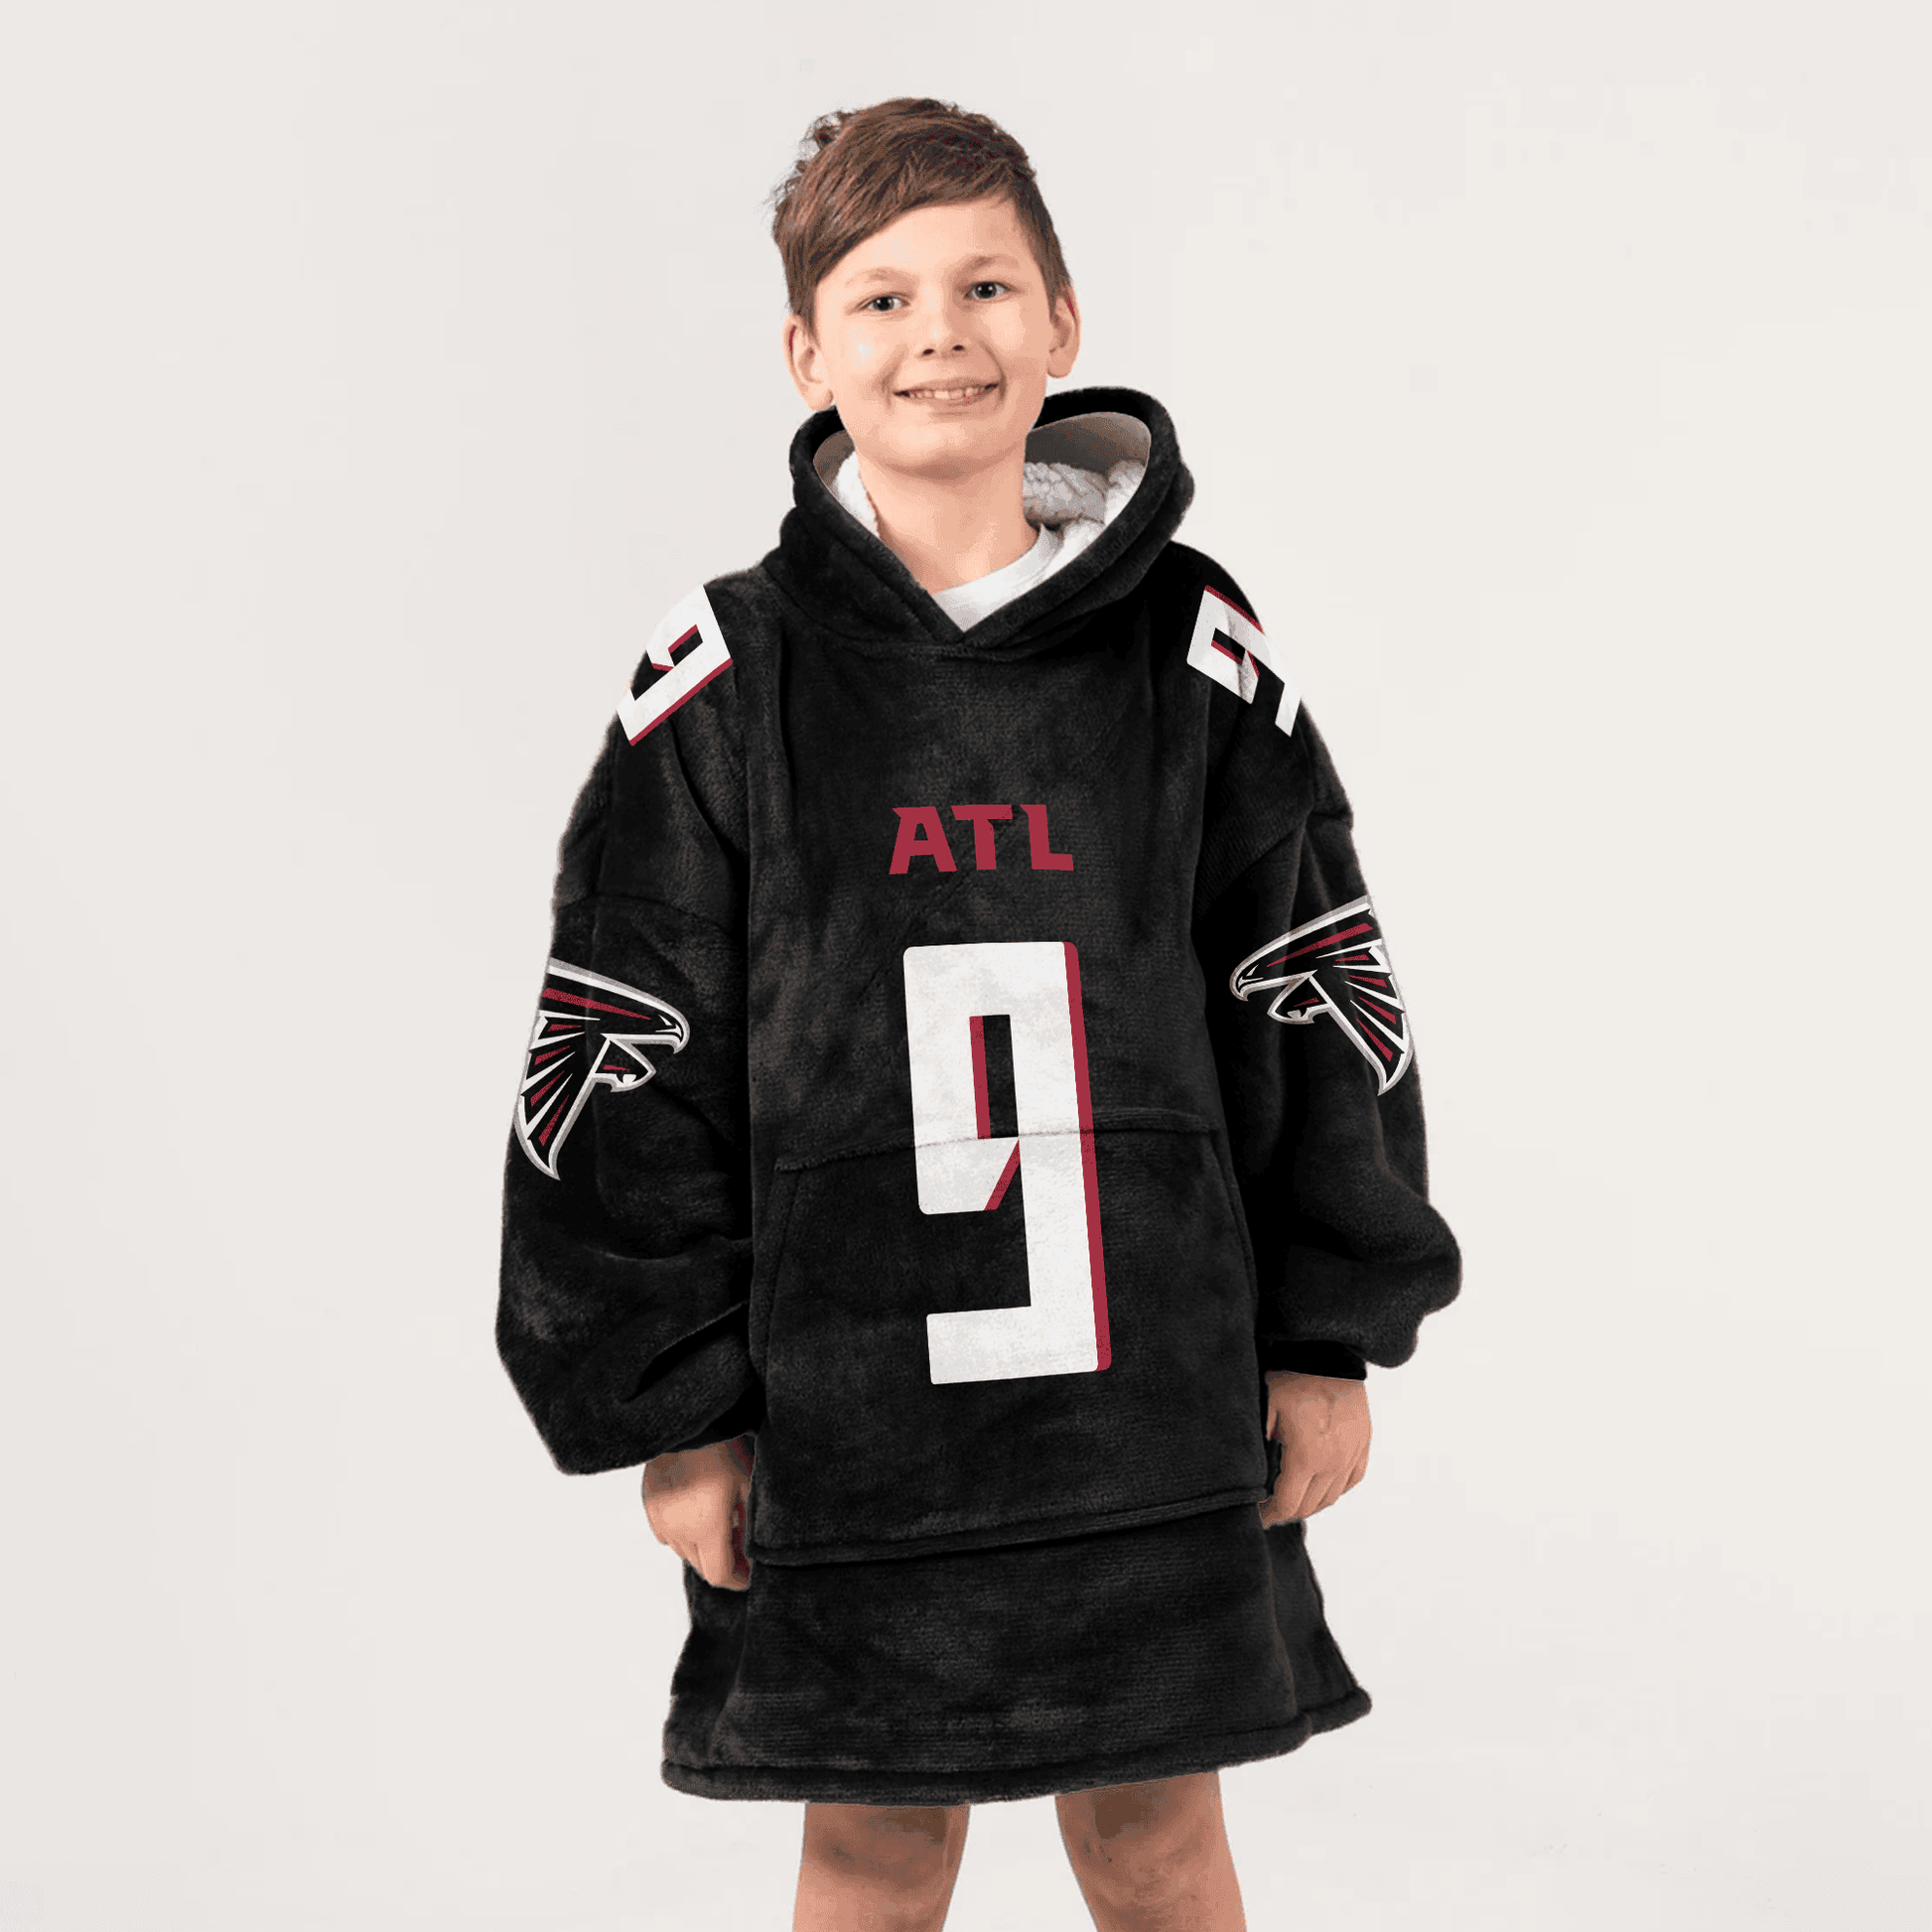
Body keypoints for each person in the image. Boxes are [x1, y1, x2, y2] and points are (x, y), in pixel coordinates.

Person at [496, 96, 1461, 1932]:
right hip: (848, 1407)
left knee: (1155, 1833)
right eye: (880, 299)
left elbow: (1308, 983)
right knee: (873, 1845)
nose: (936, 332)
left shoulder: (1189, 652)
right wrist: (675, 1405)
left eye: (984, 285)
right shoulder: (724, 683)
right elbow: (626, 1045)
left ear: (1063, 322)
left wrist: (1330, 1326)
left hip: (1148, 1392)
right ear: (807, 354)